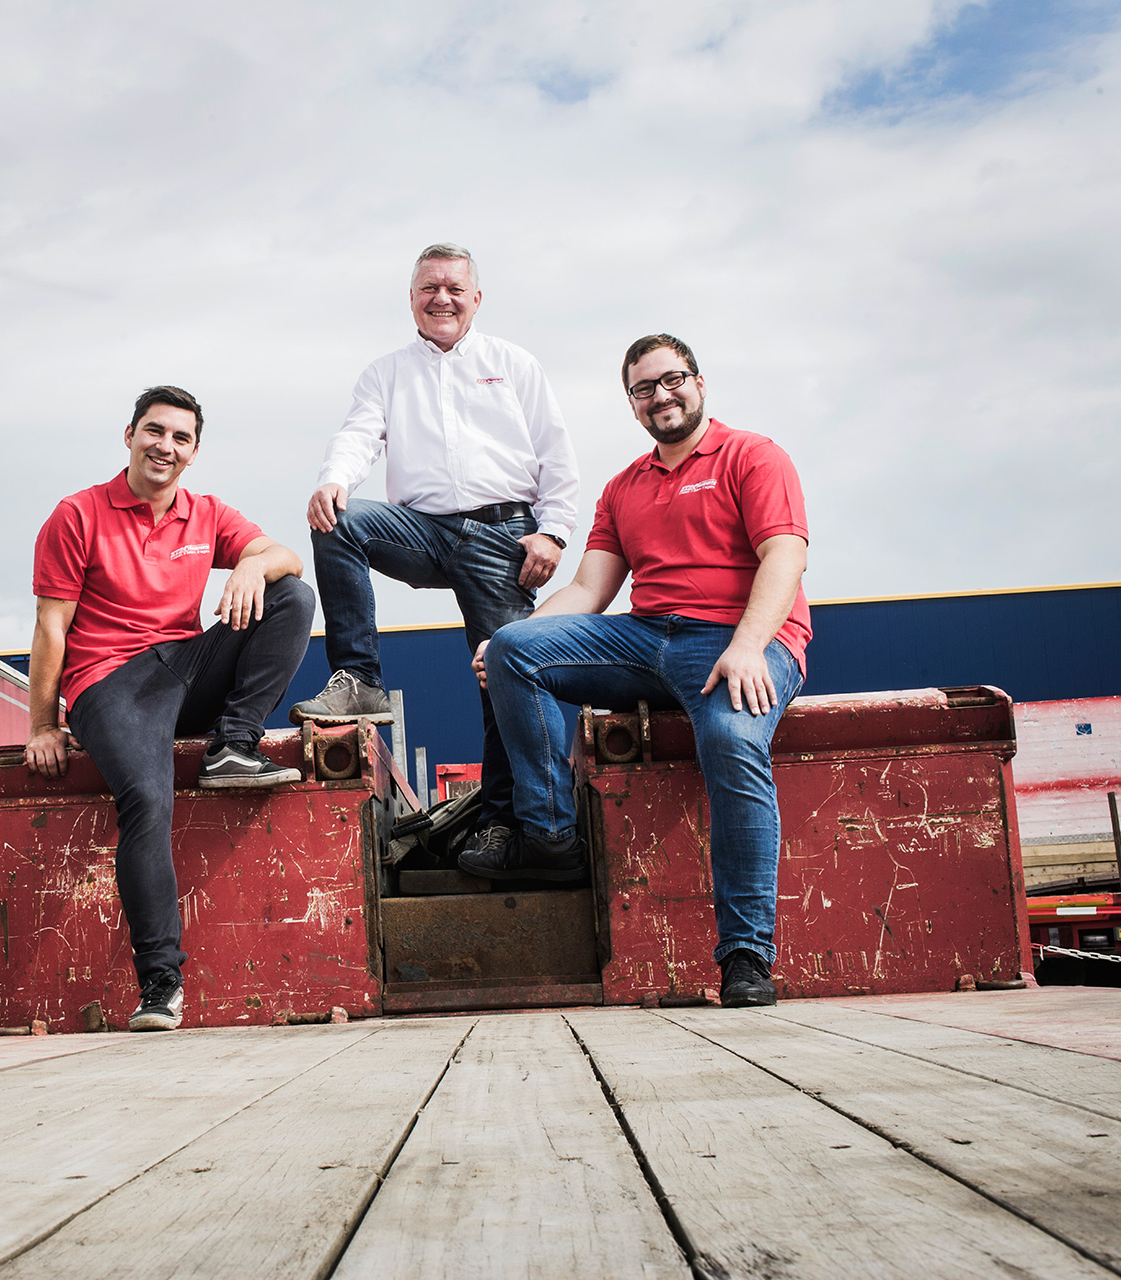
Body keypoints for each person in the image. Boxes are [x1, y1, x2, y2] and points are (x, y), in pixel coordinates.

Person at [466, 334, 811, 1008]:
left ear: (700, 384)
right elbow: (591, 590)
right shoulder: (624, 487)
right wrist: (517, 634)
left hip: (741, 638)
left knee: (732, 742)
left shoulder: (752, 455)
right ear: (632, 405)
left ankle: (745, 956)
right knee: (512, 650)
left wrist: (746, 645)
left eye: (672, 380)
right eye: (645, 389)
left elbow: (785, 557)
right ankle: (551, 835)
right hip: (648, 639)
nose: (662, 395)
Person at [24, 386, 314, 1032]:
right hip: (109, 685)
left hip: (183, 670)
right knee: (149, 804)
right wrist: (43, 724)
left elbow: (286, 556)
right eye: (155, 431)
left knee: (291, 594)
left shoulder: (205, 513)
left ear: (194, 452)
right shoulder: (77, 515)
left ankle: (233, 746)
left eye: (180, 438)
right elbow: (50, 629)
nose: (166, 446)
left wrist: (250, 568)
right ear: (129, 435)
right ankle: (160, 984)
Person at [292, 244, 579, 862]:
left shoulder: (513, 363)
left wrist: (553, 531)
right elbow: (358, 435)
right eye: (428, 289)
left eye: (454, 288)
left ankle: (510, 826)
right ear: (412, 300)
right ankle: (360, 680)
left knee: (502, 677)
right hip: (422, 528)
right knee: (337, 521)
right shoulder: (386, 372)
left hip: (503, 535)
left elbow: (556, 451)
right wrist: (334, 478)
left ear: (476, 298)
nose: (441, 299)